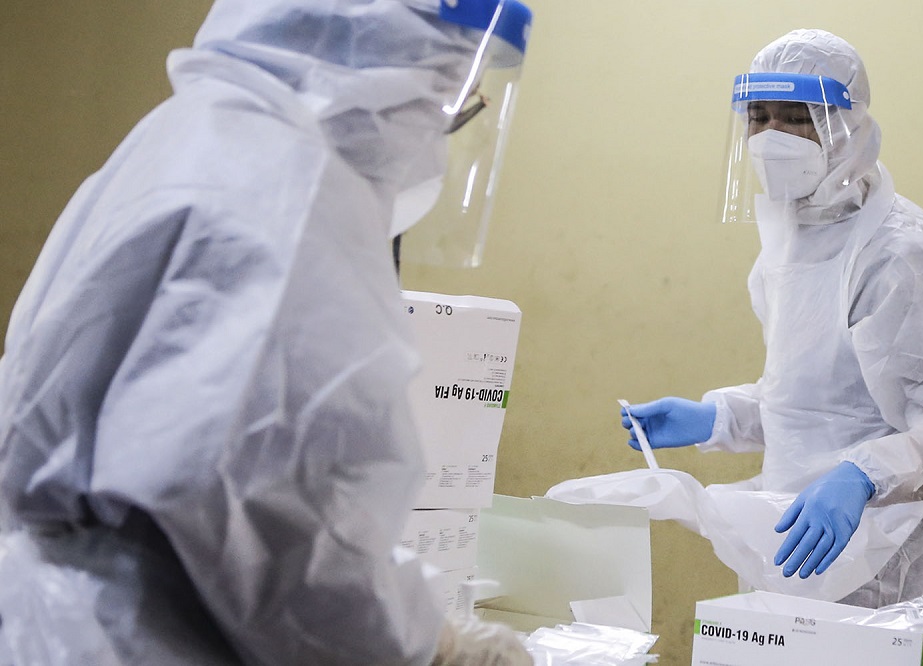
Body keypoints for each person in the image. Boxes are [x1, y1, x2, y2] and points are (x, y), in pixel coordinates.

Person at [0, 0, 534, 664]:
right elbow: (263, 521)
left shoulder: (189, 136)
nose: (468, 104)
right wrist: (426, 644)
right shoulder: (292, 194)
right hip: (153, 639)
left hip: (65, 625)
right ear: (391, 47)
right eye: (459, 77)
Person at [621, 29, 923, 614]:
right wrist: (719, 417)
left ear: (845, 124)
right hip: (786, 537)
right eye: (759, 116)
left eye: (795, 116)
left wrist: (862, 477)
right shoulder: (790, 242)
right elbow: (824, 404)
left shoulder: (905, 255)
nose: (771, 137)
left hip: (884, 561)